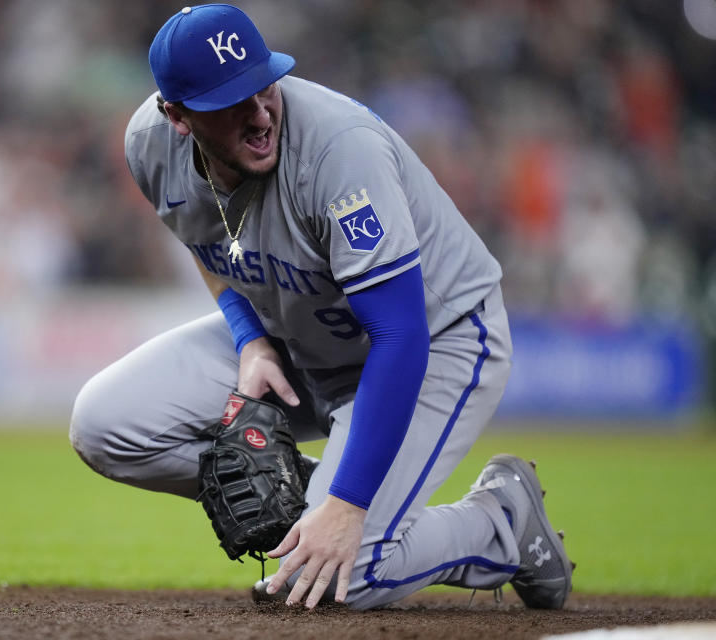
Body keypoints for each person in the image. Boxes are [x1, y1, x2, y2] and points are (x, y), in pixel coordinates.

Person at [70, 4, 572, 611]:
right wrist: (248, 338)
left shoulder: (338, 151)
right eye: (229, 102)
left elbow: (401, 334)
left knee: (343, 573)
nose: (258, 115)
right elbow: (208, 244)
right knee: (106, 425)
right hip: (296, 331)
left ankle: (501, 523)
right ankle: (325, 504)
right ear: (176, 116)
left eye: (263, 86)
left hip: (436, 341)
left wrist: (349, 503)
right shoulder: (149, 147)